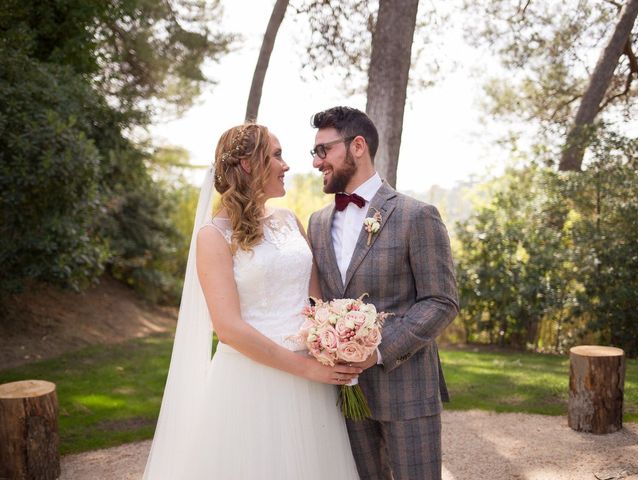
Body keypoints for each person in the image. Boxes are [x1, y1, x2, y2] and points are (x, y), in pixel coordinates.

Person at [142, 123, 360, 479]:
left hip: (312, 377)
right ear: (247, 164)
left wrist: (337, 338)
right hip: (254, 381)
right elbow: (228, 329)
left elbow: (313, 300)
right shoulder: (213, 237)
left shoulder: (289, 221)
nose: (286, 165)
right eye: (276, 155)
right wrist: (305, 368)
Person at [307, 106, 459, 480]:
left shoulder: (416, 215)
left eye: (323, 150)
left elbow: (441, 301)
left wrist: (374, 351)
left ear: (357, 146)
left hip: (406, 392)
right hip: (345, 397)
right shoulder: (318, 222)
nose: (315, 162)